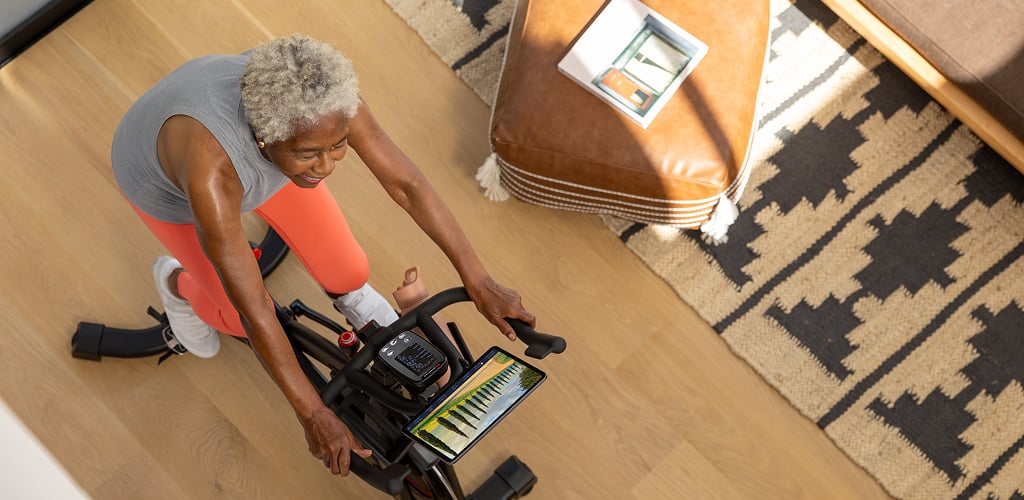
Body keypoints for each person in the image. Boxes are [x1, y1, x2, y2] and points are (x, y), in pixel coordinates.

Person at [111, 33, 535, 477]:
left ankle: (352, 298)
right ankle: (175, 282)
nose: (328, 166)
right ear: (263, 137)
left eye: (338, 145)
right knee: (234, 318)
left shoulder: (325, 98)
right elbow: (255, 309)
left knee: (349, 270)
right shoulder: (211, 173)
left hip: (268, 160)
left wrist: (479, 280)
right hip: (167, 193)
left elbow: (407, 185)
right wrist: (312, 412)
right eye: (310, 153)